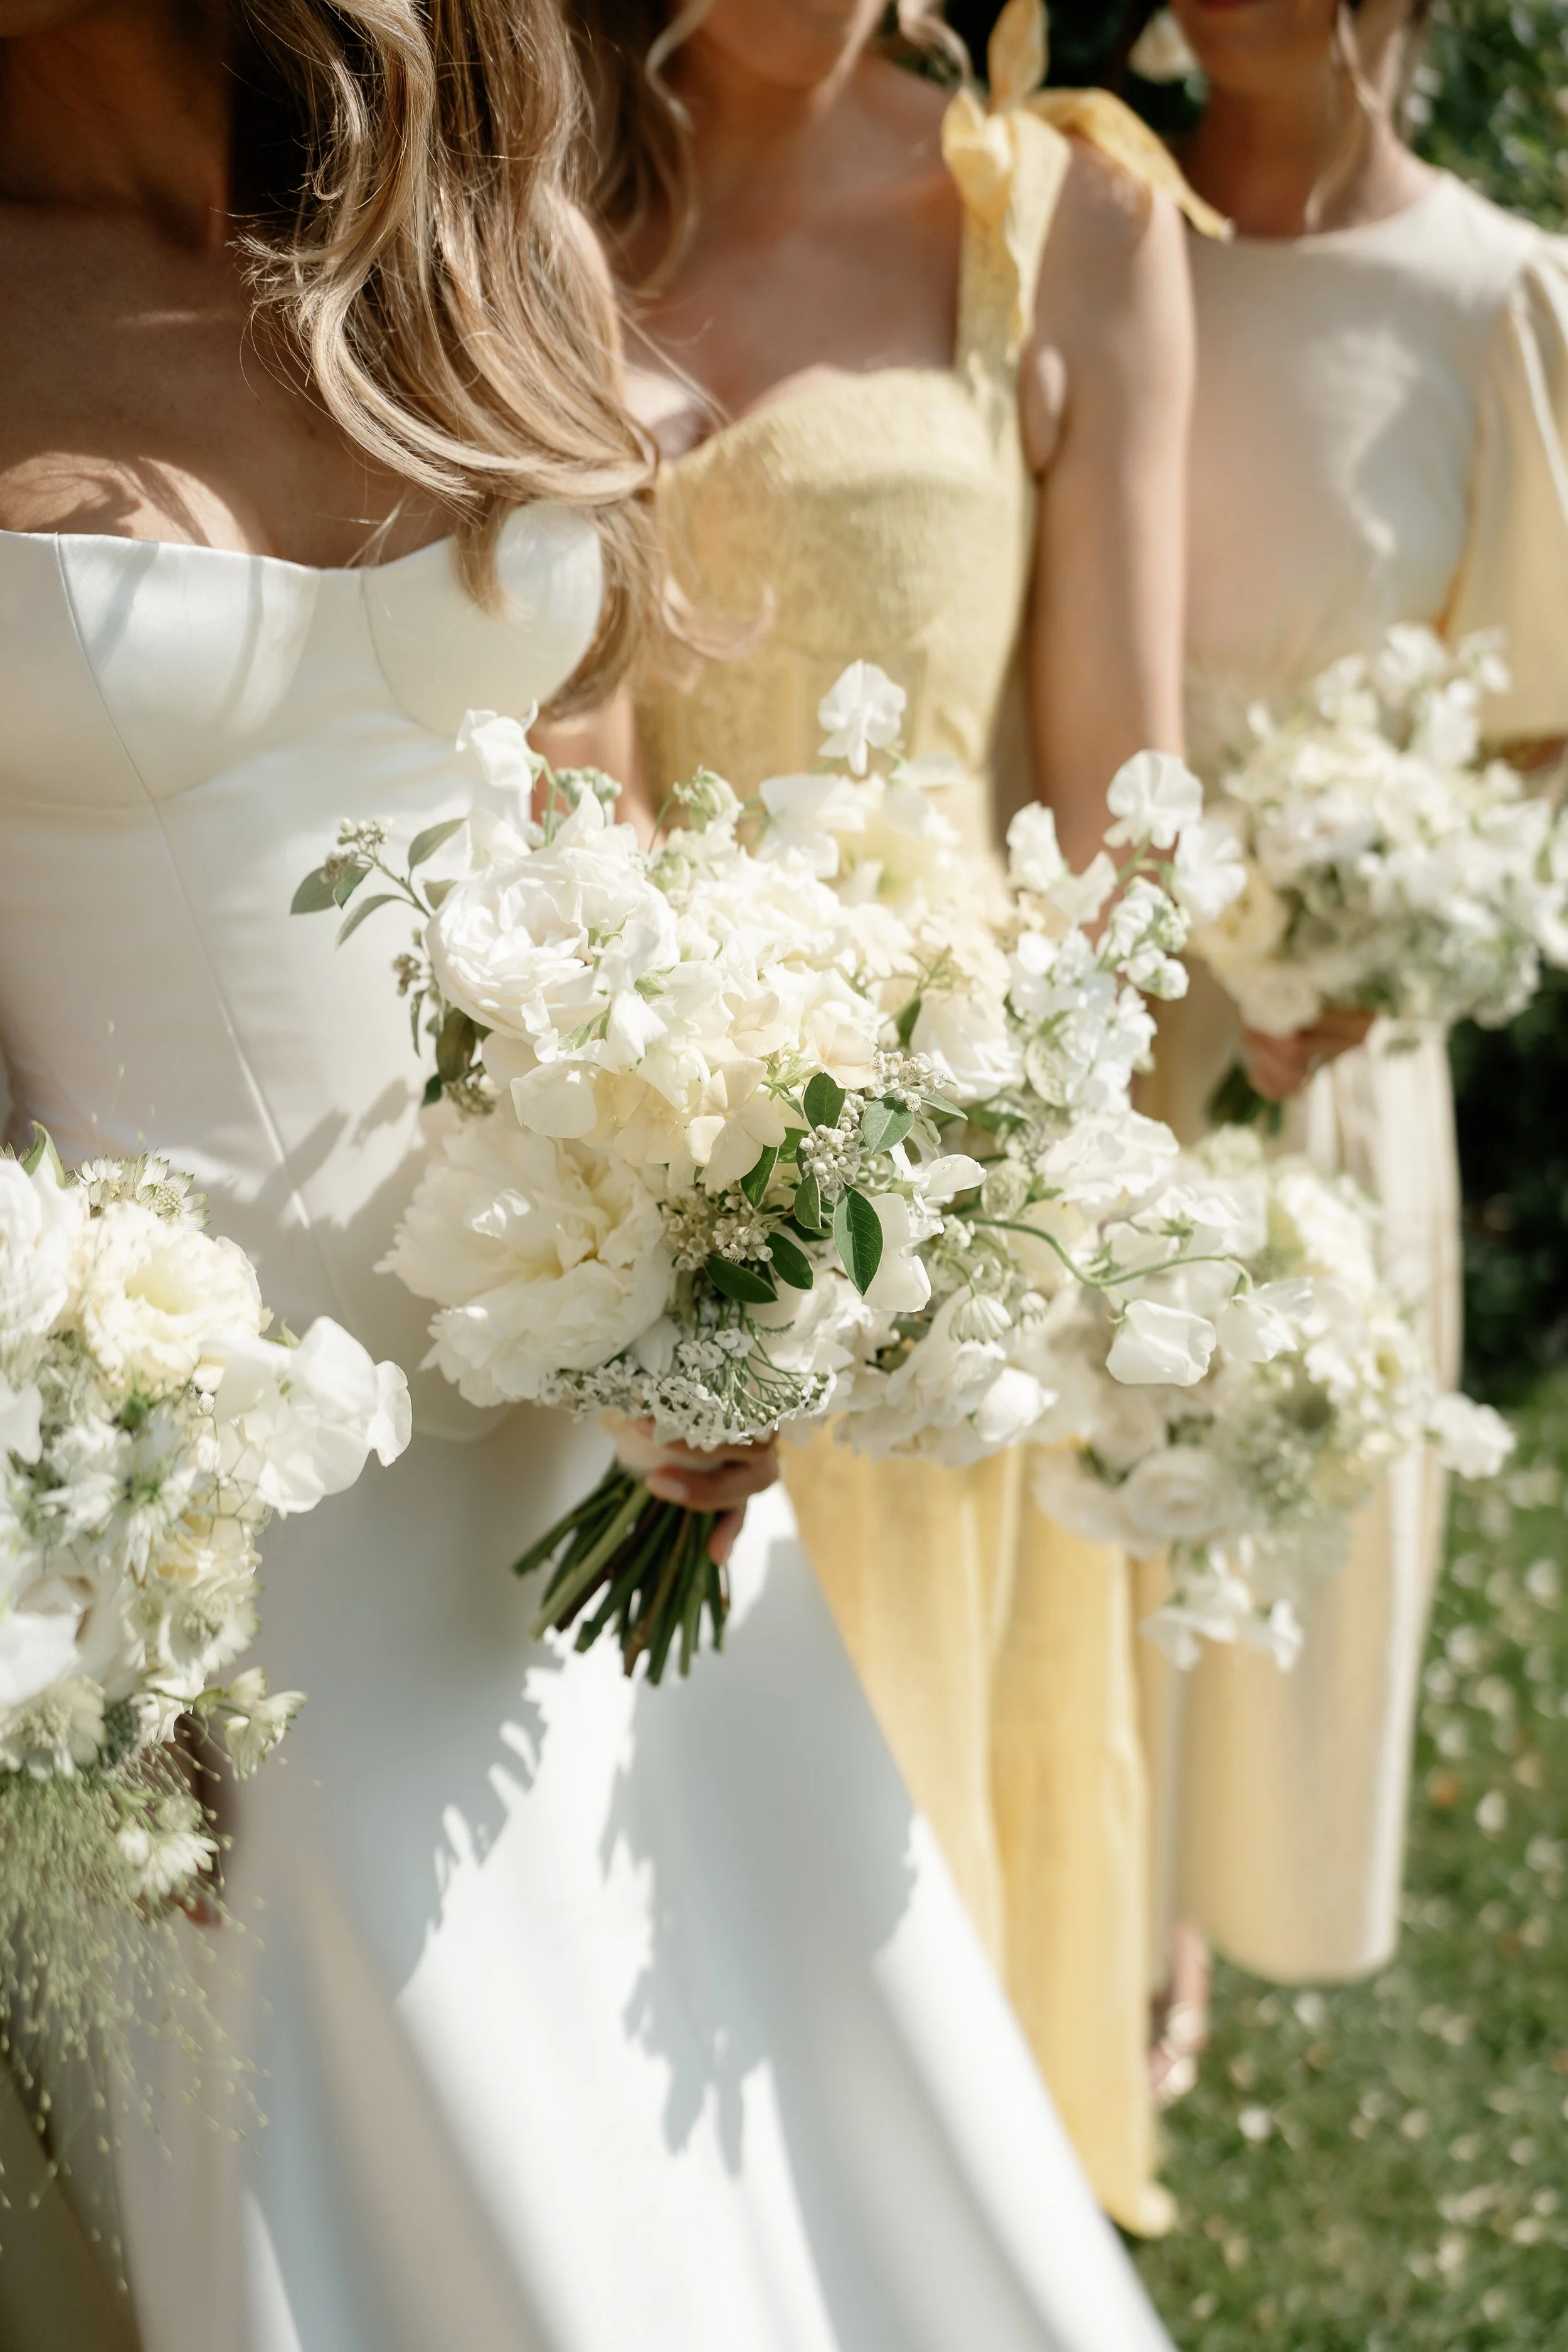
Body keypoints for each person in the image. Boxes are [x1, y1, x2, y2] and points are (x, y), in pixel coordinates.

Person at [0, 3, 1180, 2346]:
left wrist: (717, 1259)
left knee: (755, 2177)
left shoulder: (469, 228)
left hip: (604, 1458)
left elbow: (583, 806)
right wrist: (54, 1567)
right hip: (199, 1544)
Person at [572, 0, 1224, 2232]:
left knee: (882, 1825)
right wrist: (618, 1145)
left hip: (928, 1159)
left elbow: (1119, 806)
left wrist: (1007, 1211)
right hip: (583, 1106)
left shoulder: (1074, 219)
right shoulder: (510, 186)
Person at [1133, 0, 1568, 1991]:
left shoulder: (1497, 299)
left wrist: (1355, 941)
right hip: (1054, 1011)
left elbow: (1536, 733)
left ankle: (1187, 1955)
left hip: (1312, 1057)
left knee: (1255, 1543)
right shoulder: (1074, 216)